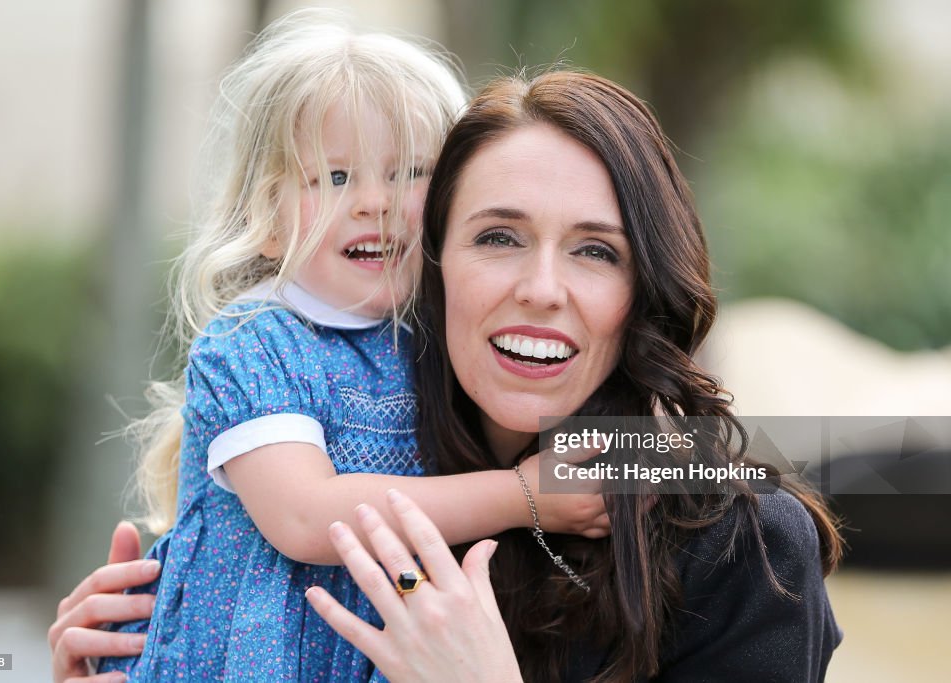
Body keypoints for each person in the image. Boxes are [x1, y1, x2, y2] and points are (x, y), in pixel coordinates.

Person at [54, 70, 843, 682]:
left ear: (643, 291)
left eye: (595, 250)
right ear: (425, 262)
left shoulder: (740, 538)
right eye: (499, 237)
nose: (541, 287)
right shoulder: (344, 468)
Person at [86, 12, 610, 682]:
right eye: (335, 178)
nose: (375, 202)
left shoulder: (429, 340)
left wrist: (696, 451)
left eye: (410, 173)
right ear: (266, 221)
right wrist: (521, 495)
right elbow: (308, 515)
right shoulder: (256, 342)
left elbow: (684, 465)